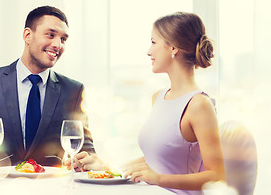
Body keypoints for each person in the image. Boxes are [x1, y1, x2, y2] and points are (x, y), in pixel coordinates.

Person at [73, 12, 225, 194]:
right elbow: (155, 160)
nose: (148, 51)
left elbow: (216, 176)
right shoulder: (158, 97)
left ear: (173, 48)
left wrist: (159, 179)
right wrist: (104, 166)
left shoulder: (199, 104)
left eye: (153, 42)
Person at [0, 6, 95, 176]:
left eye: (63, 39)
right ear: (27, 35)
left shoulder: (73, 90)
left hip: (51, 188)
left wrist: (89, 161)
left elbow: (85, 149)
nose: (57, 45)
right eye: (50, 35)